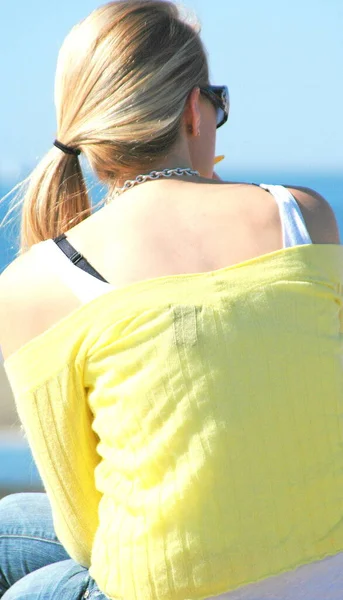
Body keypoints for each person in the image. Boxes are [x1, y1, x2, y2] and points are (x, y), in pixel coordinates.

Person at [0, 1, 342, 599]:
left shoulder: (36, 280)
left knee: (42, 579)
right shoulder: (303, 215)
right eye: (219, 103)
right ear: (193, 110)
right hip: (330, 569)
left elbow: (86, 537)